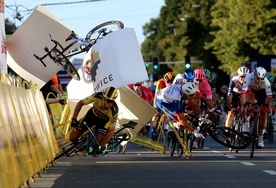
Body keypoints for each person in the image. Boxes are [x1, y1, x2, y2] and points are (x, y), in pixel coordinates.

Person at [69, 86, 119, 156]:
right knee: (72, 137)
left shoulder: (114, 111)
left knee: (96, 146)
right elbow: (80, 103)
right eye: (105, 100)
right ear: (102, 96)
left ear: (113, 101)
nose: (106, 104)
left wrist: (102, 145)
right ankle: (79, 145)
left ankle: (102, 146)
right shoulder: (97, 96)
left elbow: (111, 131)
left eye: (109, 102)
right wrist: (74, 118)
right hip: (91, 117)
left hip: (102, 123)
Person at [240, 66, 273, 148]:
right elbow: (243, 93)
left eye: (262, 79)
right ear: (254, 75)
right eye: (257, 78)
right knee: (249, 99)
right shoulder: (248, 77)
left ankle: (261, 138)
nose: (259, 81)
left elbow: (269, 98)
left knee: (264, 111)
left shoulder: (266, 83)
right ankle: (247, 124)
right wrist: (243, 105)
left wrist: (270, 107)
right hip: (251, 92)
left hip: (262, 94)